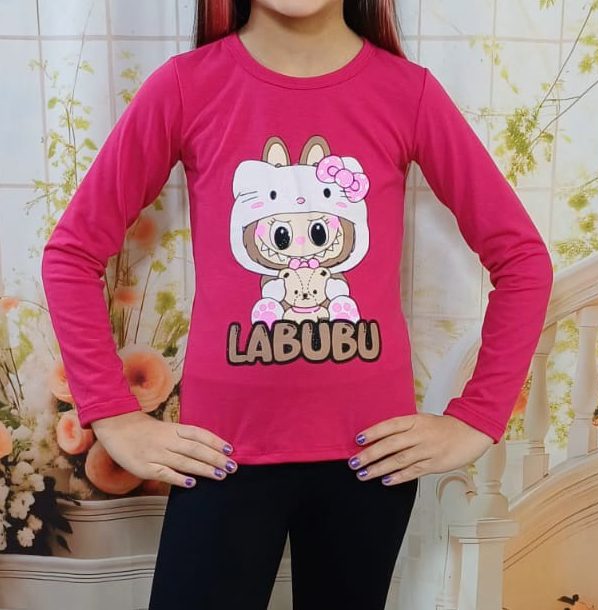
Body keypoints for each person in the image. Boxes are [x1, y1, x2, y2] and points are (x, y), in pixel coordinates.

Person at [40, 0, 554, 608]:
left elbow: (523, 260)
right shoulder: (185, 87)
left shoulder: (407, 93)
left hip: (369, 463)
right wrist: (114, 414)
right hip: (220, 457)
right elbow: (71, 255)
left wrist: (477, 417)